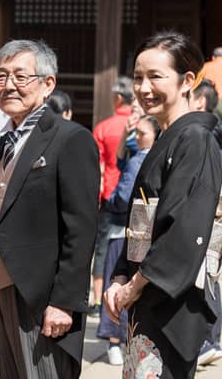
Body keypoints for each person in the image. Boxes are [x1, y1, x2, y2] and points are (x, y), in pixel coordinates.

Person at [0, 39, 100, 378]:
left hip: (42, 296)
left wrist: (64, 302)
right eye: (1, 76)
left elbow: (82, 227)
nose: (9, 85)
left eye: (20, 76)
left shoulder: (70, 138)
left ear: (48, 84)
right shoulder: (6, 142)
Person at [104, 31, 222, 378]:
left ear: (187, 81)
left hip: (170, 300)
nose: (143, 87)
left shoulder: (196, 140)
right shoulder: (168, 138)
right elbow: (141, 222)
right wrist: (122, 274)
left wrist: (132, 285)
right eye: (138, 77)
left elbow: (184, 231)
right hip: (148, 296)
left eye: (155, 76)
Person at [96, 115, 160, 365]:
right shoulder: (148, 157)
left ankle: (113, 342)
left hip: (122, 229)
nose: (136, 138)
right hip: (139, 232)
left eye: (141, 133)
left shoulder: (140, 161)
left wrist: (109, 201)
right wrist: (125, 133)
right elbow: (120, 158)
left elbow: (123, 198)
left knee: (117, 286)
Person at [91, 76, 134, 316]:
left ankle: (98, 298)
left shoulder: (104, 127)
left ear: (117, 98)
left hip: (109, 193)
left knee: (102, 247)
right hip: (135, 195)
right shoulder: (140, 125)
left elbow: (98, 165)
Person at [189, 79, 222, 367]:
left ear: (199, 102)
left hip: (211, 220)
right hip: (211, 219)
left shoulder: (204, 137)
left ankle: (207, 341)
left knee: (207, 280)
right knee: (209, 279)